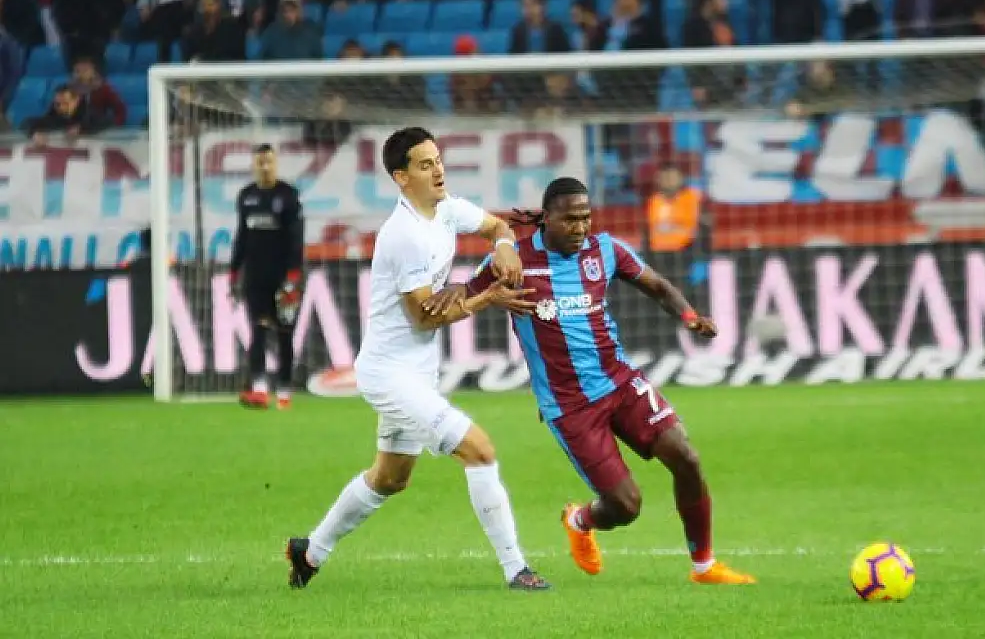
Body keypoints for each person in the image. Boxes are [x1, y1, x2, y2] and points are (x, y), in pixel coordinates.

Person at [439, 177, 756, 585]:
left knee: (687, 458)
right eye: (570, 219)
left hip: (620, 382)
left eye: (585, 218)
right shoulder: (514, 261)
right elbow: (463, 293)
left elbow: (658, 286)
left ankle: (705, 566)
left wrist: (690, 317)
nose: (580, 227)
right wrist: (471, 295)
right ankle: (579, 520)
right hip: (570, 406)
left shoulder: (605, 250)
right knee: (626, 506)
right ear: (546, 219)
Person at [285, 127, 551, 592]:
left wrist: (505, 246)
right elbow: (424, 317)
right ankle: (517, 569)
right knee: (480, 450)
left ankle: (310, 552)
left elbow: (497, 226)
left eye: (438, 160)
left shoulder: (446, 210)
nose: (438, 170)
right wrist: (487, 298)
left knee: (390, 478)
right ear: (401, 177)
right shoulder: (403, 235)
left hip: (417, 372)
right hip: (389, 374)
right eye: (425, 165)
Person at [229, 145, 304, 410]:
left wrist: (293, 276)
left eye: (269, 162)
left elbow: (296, 238)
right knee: (258, 329)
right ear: (254, 165)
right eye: (260, 162)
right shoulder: (246, 196)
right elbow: (242, 235)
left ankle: (284, 389)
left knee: (284, 333)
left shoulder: (288, 195)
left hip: (283, 277)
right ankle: (259, 389)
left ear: (276, 164)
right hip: (255, 276)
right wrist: (234, 271)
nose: (265, 167)